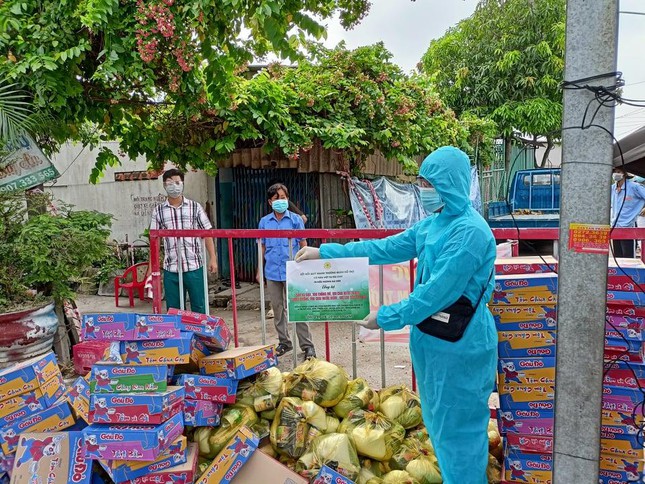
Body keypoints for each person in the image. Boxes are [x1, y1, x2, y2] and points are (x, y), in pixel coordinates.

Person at [296, 146, 497, 484]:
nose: (424, 189)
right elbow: (384, 247)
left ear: (450, 184)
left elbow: (437, 293)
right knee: (438, 425)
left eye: (430, 183)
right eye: (422, 182)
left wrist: (386, 316)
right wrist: (326, 252)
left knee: (460, 432)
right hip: (433, 342)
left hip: (460, 348)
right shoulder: (435, 224)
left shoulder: (471, 233)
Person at [258, 183, 316, 359]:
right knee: (277, 308)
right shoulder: (264, 222)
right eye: (277, 199)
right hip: (272, 271)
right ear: (270, 202)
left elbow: (303, 243)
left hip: (293, 270)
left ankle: (307, 345)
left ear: (287, 199)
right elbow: (261, 247)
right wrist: (259, 270)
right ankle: (284, 342)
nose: (281, 201)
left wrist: (305, 267)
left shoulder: (296, 220)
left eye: (283, 198)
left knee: (298, 307)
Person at [148, 168, 217, 314]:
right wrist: (151, 267)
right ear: (165, 185)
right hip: (171, 268)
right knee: (174, 310)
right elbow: (154, 241)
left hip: (194, 266)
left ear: (183, 184)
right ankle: (179, 337)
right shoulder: (158, 211)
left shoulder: (194, 207)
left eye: (177, 182)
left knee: (200, 307)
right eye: (170, 183)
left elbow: (207, 233)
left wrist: (213, 258)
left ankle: (200, 336)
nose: (174, 186)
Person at [610, 167, 645, 258]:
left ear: (624, 174)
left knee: (628, 257)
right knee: (617, 256)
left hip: (628, 226)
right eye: (614, 172)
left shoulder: (634, 186)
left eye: (618, 172)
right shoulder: (612, 188)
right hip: (615, 226)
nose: (615, 174)